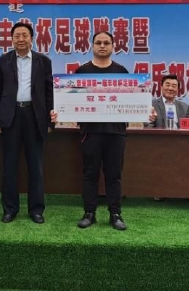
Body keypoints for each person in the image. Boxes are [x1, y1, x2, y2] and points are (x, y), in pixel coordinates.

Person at [0, 22, 55, 224]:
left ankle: (36, 209)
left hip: (35, 115)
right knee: (9, 165)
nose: (21, 39)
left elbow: (49, 91)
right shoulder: (4, 60)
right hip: (10, 115)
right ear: (11, 39)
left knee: (35, 165)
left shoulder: (43, 61)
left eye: (24, 35)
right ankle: (10, 209)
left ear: (32, 38)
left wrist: (50, 120)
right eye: (17, 36)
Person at [75, 32, 128, 231]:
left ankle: (115, 214)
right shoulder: (82, 71)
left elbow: (132, 100)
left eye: (106, 43)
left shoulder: (122, 72)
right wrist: (60, 111)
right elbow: (71, 99)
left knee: (114, 174)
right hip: (90, 131)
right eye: (98, 42)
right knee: (90, 173)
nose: (102, 46)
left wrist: (145, 110)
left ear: (113, 46)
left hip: (116, 132)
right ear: (92, 46)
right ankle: (89, 213)